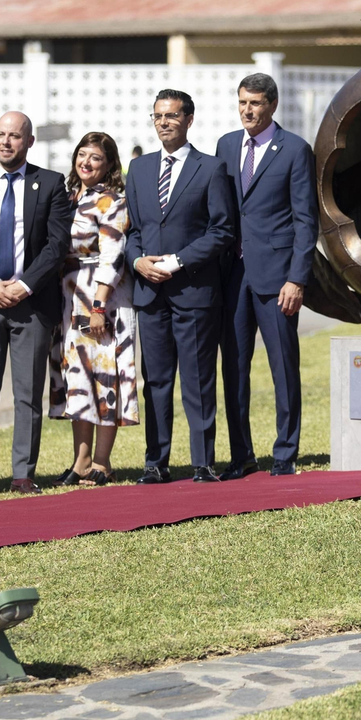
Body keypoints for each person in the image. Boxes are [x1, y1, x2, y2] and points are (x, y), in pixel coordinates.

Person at [0, 112, 75, 498]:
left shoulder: (52, 183)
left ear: (29, 141)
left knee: (27, 393)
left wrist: (23, 285)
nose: (6, 142)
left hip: (32, 303)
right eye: (1, 135)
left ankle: (24, 473)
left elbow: (56, 246)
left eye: (15, 136)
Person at [125, 88, 237, 483]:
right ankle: (155, 462)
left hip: (192, 290)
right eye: (157, 116)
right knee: (155, 381)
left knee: (197, 379)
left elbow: (222, 230)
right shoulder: (138, 170)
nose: (164, 122)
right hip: (151, 294)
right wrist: (137, 261)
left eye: (171, 115)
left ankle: (202, 462)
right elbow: (135, 231)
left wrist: (176, 261)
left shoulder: (211, 168)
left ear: (189, 119)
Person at [215, 72, 318, 478]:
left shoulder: (294, 150)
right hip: (232, 275)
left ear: (271, 105)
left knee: (283, 367)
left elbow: (305, 220)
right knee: (234, 367)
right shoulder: (225, 146)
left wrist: (297, 278)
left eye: (255, 103)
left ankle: (285, 452)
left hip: (277, 278)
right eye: (242, 102)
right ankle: (241, 455)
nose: (247, 110)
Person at [50, 132, 139, 486]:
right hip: (69, 298)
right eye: (82, 155)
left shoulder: (111, 201)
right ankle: (81, 460)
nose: (86, 162)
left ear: (109, 165)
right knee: (78, 380)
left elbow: (113, 255)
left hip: (102, 295)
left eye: (96, 158)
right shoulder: (71, 198)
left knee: (104, 376)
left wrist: (99, 305)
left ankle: (102, 461)